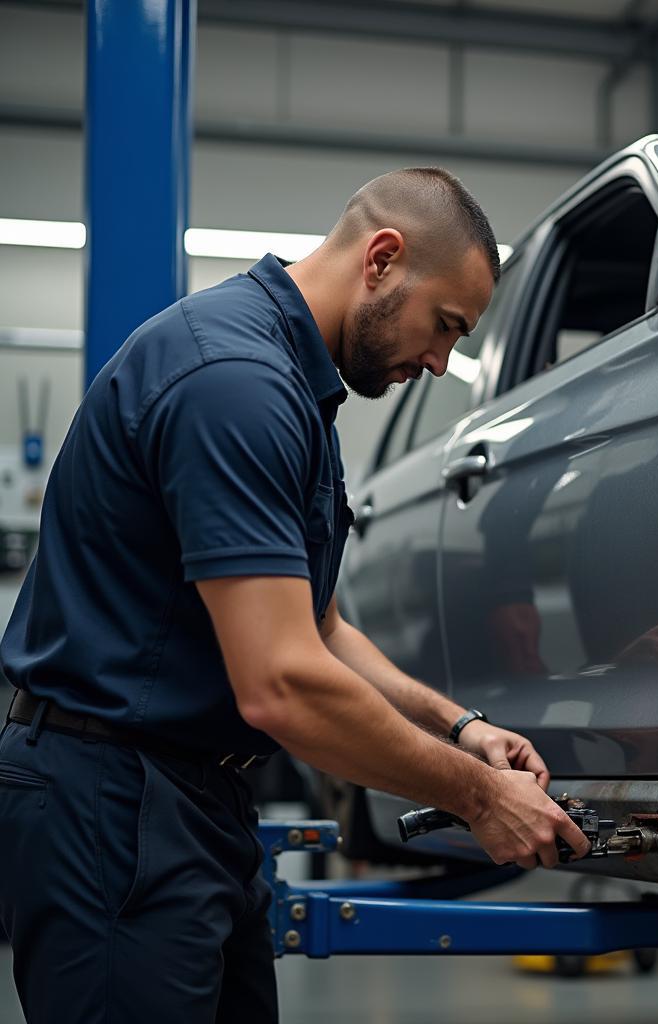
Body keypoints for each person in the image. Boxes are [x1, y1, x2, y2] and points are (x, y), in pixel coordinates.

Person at [0, 167, 590, 1024]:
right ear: (382, 259)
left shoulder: (291, 388)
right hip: (113, 806)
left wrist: (461, 729)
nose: (439, 362)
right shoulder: (235, 383)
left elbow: (315, 625)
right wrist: (478, 797)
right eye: (447, 326)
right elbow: (279, 681)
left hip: (190, 802)